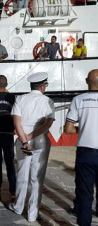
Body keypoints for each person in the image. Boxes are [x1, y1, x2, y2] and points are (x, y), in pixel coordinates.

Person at [8, 72, 55, 222]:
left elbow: (17, 123)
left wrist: (25, 140)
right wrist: (31, 137)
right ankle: (32, 214)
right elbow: (48, 124)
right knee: (37, 178)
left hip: (25, 144)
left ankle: (18, 207)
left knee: (23, 173)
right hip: (40, 142)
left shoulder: (20, 99)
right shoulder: (48, 101)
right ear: (42, 87)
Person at [64, 69, 98, 226]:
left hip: (86, 152)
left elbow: (68, 129)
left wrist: (82, 128)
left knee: (85, 194)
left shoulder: (78, 100)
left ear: (86, 81)